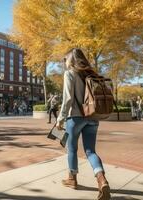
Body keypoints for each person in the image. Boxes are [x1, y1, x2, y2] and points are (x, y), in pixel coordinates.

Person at [56, 48, 111, 200]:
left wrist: (60, 119)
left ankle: (72, 179)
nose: (64, 62)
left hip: (75, 118)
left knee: (72, 149)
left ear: (71, 59)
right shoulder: (92, 74)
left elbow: (67, 99)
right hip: (93, 117)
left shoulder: (70, 74)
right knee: (90, 151)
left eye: (65, 59)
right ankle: (102, 180)